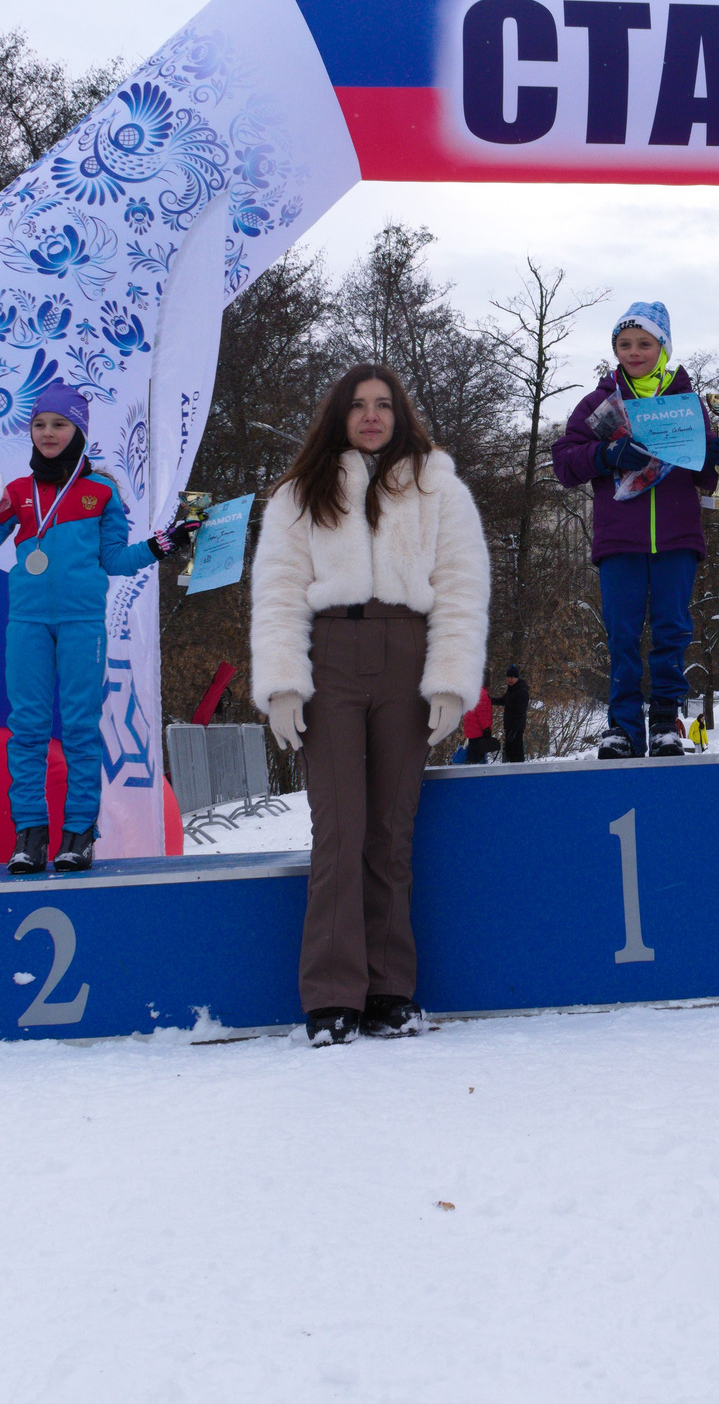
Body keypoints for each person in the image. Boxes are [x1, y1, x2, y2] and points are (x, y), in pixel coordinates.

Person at [249, 364, 490, 1046]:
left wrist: (449, 680)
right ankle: (332, 996)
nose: (372, 415)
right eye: (358, 405)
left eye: (384, 404)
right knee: (340, 830)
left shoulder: (438, 486)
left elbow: (462, 585)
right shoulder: (301, 492)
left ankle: (389, 991)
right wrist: (282, 681)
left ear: (401, 413)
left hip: (407, 654)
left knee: (390, 833)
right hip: (330, 656)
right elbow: (278, 588)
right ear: (339, 415)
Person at [0, 383, 192, 875]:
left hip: (81, 623)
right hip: (25, 623)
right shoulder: (17, 493)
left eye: (59, 424)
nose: (48, 433)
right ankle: (29, 837)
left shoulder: (100, 492)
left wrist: (163, 545)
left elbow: (114, 560)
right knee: (25, 729)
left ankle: (78, 836)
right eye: (40, 424)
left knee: (80, 730)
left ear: (79, 432)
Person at [551, 302, 719, 759]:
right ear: (615, 349)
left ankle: (664, 723)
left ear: (663, 347)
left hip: (676, 537)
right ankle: (621, 727)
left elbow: (702, 474)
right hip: (619, 541)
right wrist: (606, 456)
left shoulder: (688, 402)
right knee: (622, 633)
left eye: (644, 343)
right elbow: (563, 463)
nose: (634, 352)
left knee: (672, 630)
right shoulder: (599, 402)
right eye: (624, 344)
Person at [497, 665, 531, 763]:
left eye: (512, 677)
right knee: (509, 754)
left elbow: (521, 713)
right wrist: (489, 700)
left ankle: (519, 773)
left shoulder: (522, 691)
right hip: (509, 727)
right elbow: (503, 700)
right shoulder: (511, 690)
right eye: (508, 677)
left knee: (517, 754)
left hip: (516, 728)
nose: (509, 679)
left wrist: (514, 730)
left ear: (517, 678)